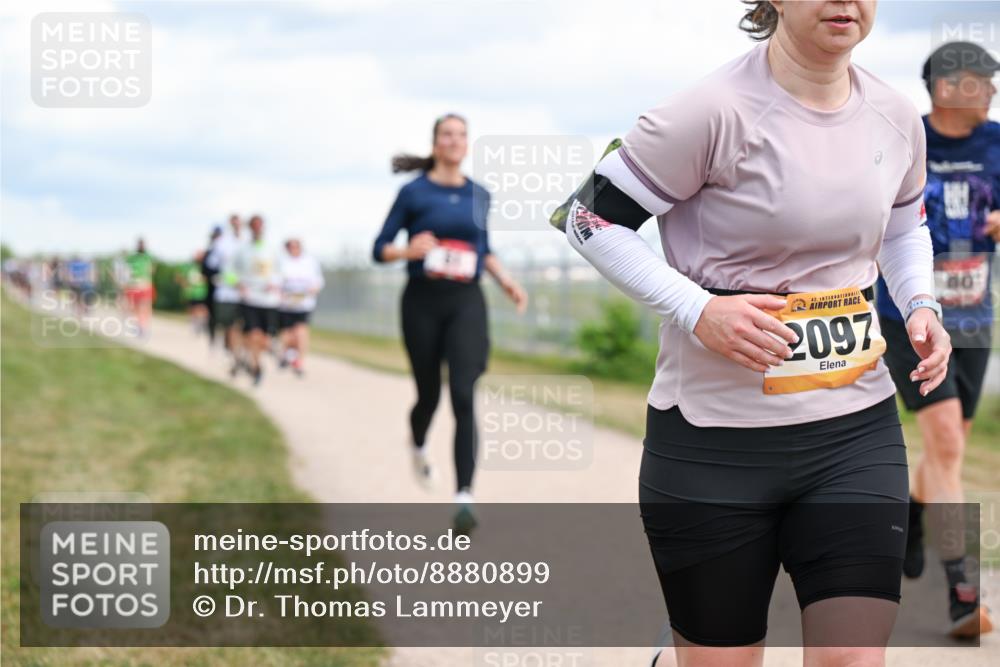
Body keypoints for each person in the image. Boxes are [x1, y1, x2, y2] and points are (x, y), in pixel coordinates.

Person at [558, 2, 952, 664]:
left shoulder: (894, 113)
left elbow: (906, 224)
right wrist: (698, 309)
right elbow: (587, 220)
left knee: (851, 657)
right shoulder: (708, 111)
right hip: (713, 446)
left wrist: (920, 302)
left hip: (854, 430)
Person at [875, 40, 998, 639]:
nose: (995, 91)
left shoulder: (997, 143)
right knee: (946, 442)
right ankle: (963, 595)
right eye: (986, 80)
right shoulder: (904, 140)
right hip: (911, 319)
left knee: (946, 449)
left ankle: (911, 518)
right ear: (949, 86)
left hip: (974, 319)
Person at [373, 113, 527, 534]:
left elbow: (484, 249)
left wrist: (507, 282)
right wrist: (409, 251)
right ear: (435, 143)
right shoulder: (413, 193)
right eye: (447, 134)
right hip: (422, 302)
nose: (454, 141)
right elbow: (379, 248)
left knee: (463, 392)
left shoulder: (480, 194)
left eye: (461, 135)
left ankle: (464, 497)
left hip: (466, 301)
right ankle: (419, 444)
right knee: (428, 396)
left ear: (467, 144)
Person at [235, 215, 281, 385]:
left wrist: (276, 283)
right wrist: (238, 284)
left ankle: (260, 356)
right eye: (254, 226)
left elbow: (281, 272)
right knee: (253, 334)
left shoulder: (273, 249)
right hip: (250, 299)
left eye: (259, 226)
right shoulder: (242, 250)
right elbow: (230, 271)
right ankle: (256, 367)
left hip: (269, 300)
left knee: (265, 338)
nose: (257, 229)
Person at [277, 238, 325, 376]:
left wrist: (313, 289)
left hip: (304, 304)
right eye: (290, 247)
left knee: (301, 332)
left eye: (296, 247)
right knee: (287, 335)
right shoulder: (282, 262)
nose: (293, 249)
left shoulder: (310, 262)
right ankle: (289, 353)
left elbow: (318, 281)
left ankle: (299, 361)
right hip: (286, 304)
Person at [206, 215, 246, 373]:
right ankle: (235, 357)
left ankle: (240, 355)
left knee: (244, 328)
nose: (236, 226)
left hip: (248, 294)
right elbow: (213, 266)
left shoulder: (249, 243)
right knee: (231, 326)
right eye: (233, 223)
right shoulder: (221, 243)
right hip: (227, 294)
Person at [121, 239, 155, 336]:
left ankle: (143, 326)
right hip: (134, 285)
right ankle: (139, 325)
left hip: (145, 284)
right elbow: (126, 270)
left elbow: (152, 269)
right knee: (136, 307)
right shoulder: (132, 258)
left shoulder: (148, 256)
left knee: (145, 307)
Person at [177, 251, 210, 336]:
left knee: (202, 308)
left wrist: (202, 279)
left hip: (201, 292)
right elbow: (179, 276)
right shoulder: (189, 266)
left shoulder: (204, 266)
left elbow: (208, 277)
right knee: (192, 309)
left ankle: (203, 324)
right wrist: (184, 284)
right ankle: (194, 324)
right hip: (191, 292)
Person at [201, 226, 224, 346]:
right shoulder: (210, 252)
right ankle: (212, 338)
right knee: (212, 315)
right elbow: (204, 270)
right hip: (213, 288)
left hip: (227, 290)